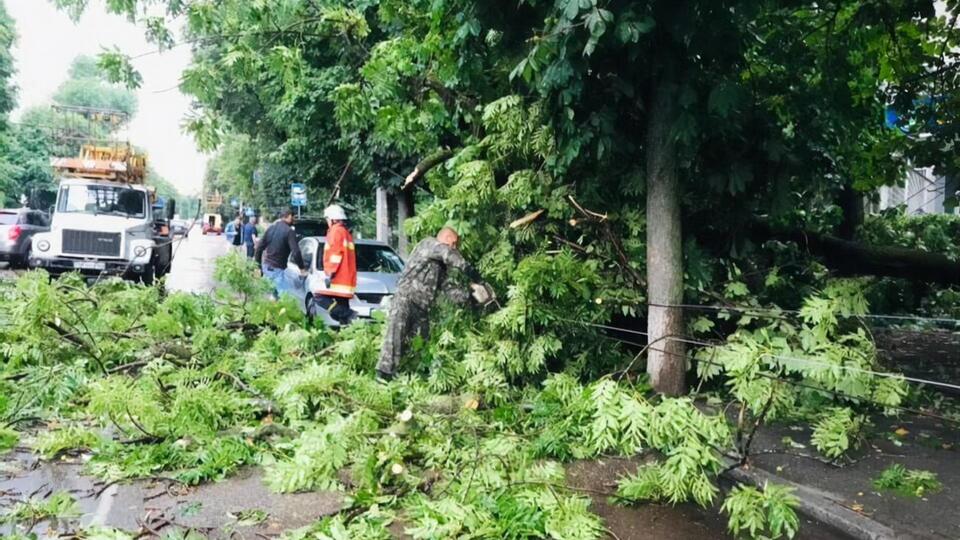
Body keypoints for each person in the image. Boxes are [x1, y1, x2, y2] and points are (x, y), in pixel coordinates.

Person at [376, 227, 492, 380]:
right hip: (405, 299)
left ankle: (410, 375)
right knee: (395, 337)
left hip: (422, 307)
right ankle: (384, 374)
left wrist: (470, 297)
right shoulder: (429, 244)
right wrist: (471, 271)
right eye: (454, 243)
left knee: (420, 342)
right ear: (446, 237)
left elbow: (449, 289)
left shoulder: (440, 266)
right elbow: (448, 254)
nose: (455, 247)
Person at [310, 204, 358, 325]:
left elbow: (335, 255)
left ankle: (347, 313)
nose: (327, 222)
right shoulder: (345, 232)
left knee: (318, 296)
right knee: (342, 306)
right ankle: (346, 331)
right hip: (347, 278)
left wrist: (330, 274)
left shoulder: (336, 232)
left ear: (332, 219)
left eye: (327, 219)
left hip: (338, 278)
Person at [254, 209, 306, 297]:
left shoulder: (271, 228)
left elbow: (259, 248)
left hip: (267, 268)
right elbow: (296, 252)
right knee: (285, 299)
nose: (294, 219)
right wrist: (302, 268)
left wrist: (258, 266)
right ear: (289, 216)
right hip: (278, 270)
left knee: (274, 296)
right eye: (293, 217)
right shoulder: (289, 231)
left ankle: (271, 309)